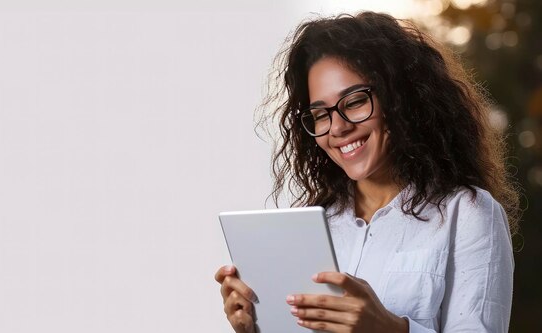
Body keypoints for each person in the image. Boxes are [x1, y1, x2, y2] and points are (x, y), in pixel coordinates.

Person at [214, 11, 520, 333]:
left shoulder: (468, 214)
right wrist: (255, 327)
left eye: (355, 101)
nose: (338, 127)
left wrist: (391, 329)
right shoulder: (314, 226)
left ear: (401, 97)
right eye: (320, 115)